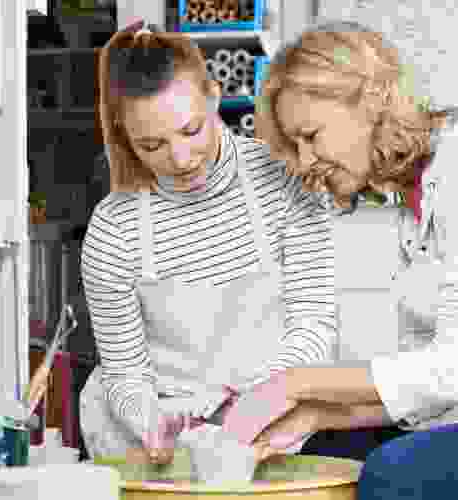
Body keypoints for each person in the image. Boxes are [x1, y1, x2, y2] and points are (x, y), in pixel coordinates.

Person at [222, 20, 458, 500]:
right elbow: (425, 387)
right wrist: (315, 415)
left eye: (310, 135)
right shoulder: (413, 203)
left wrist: (293, 384)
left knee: (394, 475)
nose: (305, 161)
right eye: (295, 147)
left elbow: (454, 369)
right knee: (324, 448)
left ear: (370, 101)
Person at [79, 22, 339, 463]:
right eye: (151, 144)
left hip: (274, 412)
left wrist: (262, 402)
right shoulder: (113, 229)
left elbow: (313, 324)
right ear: (125, 137)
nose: (180, 159)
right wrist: (152, 424)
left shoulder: (286, 179)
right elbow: (124, 373)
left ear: (214, 97)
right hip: (160, 429)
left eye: (191, 129)